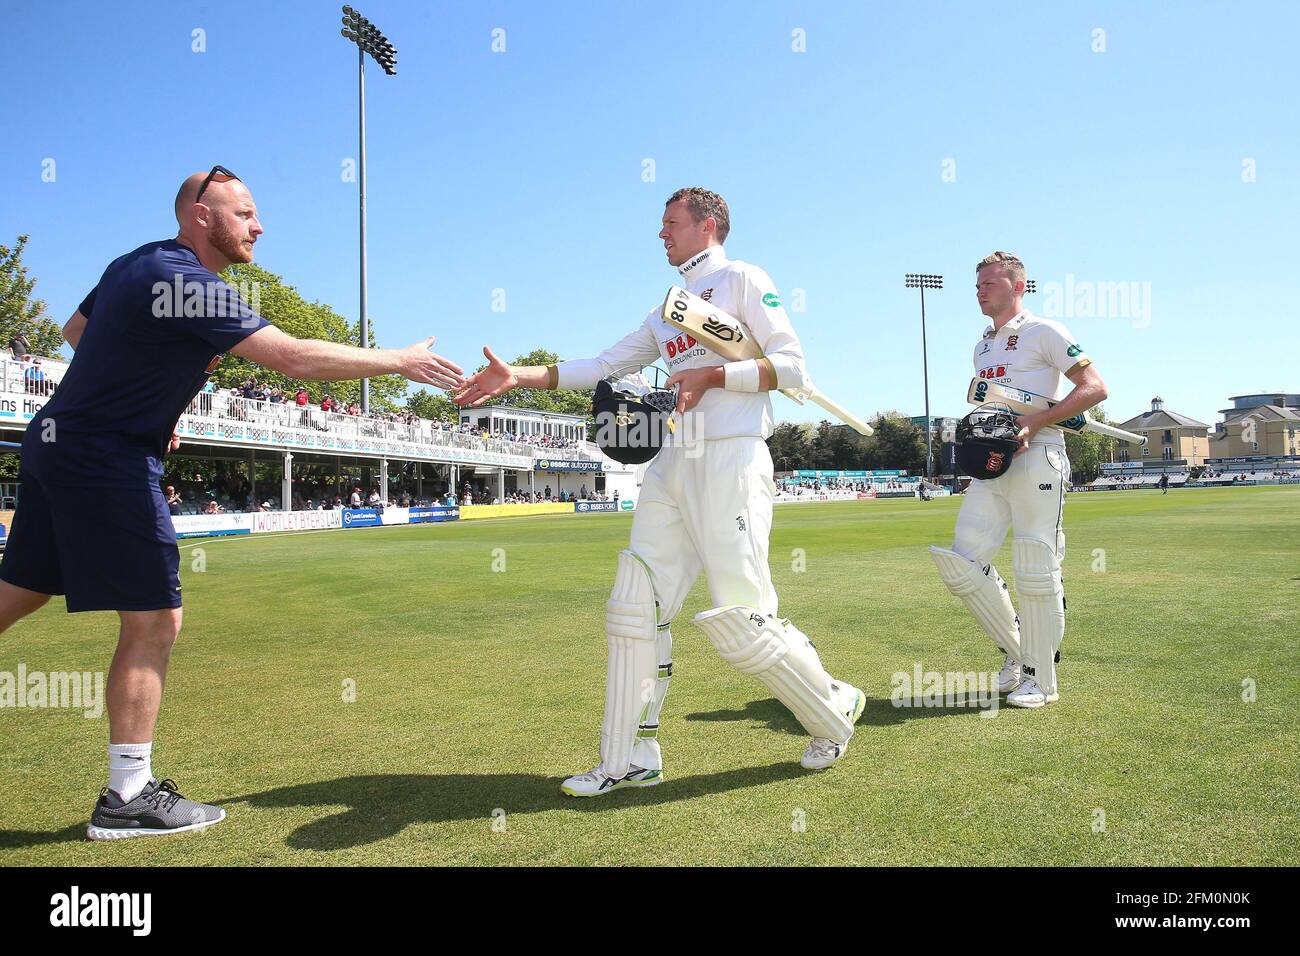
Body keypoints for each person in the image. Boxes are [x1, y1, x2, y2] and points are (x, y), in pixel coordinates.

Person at [0, 166, 464, 840]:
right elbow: (294, 358)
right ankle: (127, 795)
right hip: (105, 457)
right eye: (243, 212)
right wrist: (396, 361)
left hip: (56, 442)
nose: (259, 224)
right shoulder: (190, 283)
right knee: (157, 620)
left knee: (17, 593)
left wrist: (155, 390)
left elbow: (77, 332)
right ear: (199, 216)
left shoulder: (137, 263)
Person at [455, 187, 864, 797]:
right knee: (634, 606)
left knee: (742, 618)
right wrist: (521, 377)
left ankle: (831, 709)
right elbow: (601, 365)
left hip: (732, 456)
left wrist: (712, 374)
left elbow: (793, 368)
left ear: (710, 224)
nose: (662, 234)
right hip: (671, 463)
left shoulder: (744, 279)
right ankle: (629, 759)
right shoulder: (667, 310)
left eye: (671, 223)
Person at [928, 251, 1107, 709]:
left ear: (1018, 286)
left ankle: (1042, 678)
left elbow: (1094, 388)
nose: (980, 289)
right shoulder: (982, 345)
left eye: (990, 282)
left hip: (1041, 456)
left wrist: (1035, 422)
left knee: (1034, 564)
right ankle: (1017, 652)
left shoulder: (1043, 331)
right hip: (995, 465)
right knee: (962, 562)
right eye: (978, 284)